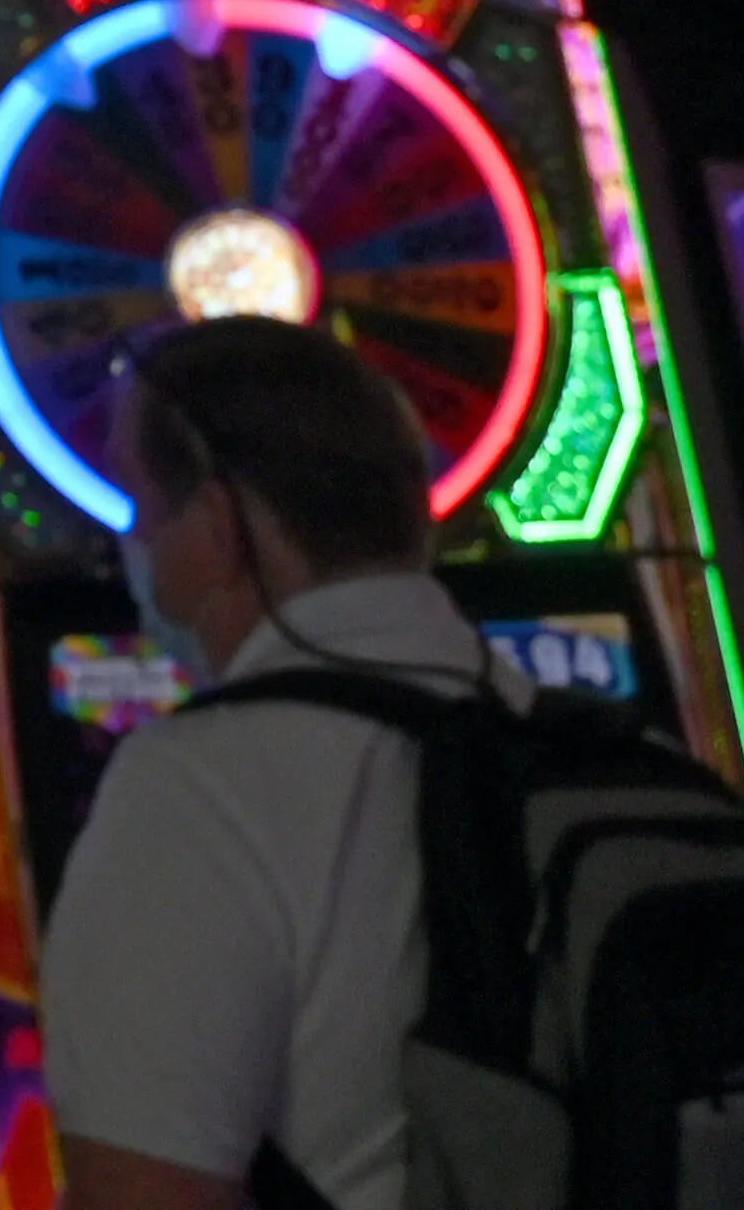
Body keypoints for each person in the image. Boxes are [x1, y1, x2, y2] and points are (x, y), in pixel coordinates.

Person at [41, 317, 496, 1210]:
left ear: (217, 523)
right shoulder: (603, 742)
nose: (128, 550)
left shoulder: (198, 787)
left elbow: (142, 1197)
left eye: (138, 510)